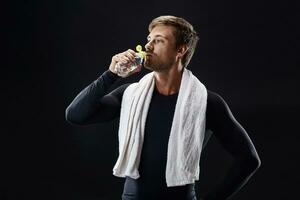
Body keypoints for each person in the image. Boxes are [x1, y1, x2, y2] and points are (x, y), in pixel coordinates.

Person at [65, 15, 261, 200]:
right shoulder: (130, 94)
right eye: (149, 39)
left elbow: (249, 160)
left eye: (159, 40)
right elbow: (76, 115)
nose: (148, 46)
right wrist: (111, 74)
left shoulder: (206, 102)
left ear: (180, 50)